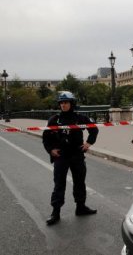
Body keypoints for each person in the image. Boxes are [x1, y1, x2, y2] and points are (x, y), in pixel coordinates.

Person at [42, 91, 99, 226]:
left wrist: (89, 143)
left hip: (77, 155)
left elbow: (94, 129)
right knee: (59, 184)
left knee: (80, 182)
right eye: (61, 103)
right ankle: (55, 212)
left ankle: (81, 207)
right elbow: (46, 138)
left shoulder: (80, 118)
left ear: (72, 103)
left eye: (66, 102)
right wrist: (51, 150)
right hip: (61, 156)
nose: (63, 105)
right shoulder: (54, 119)